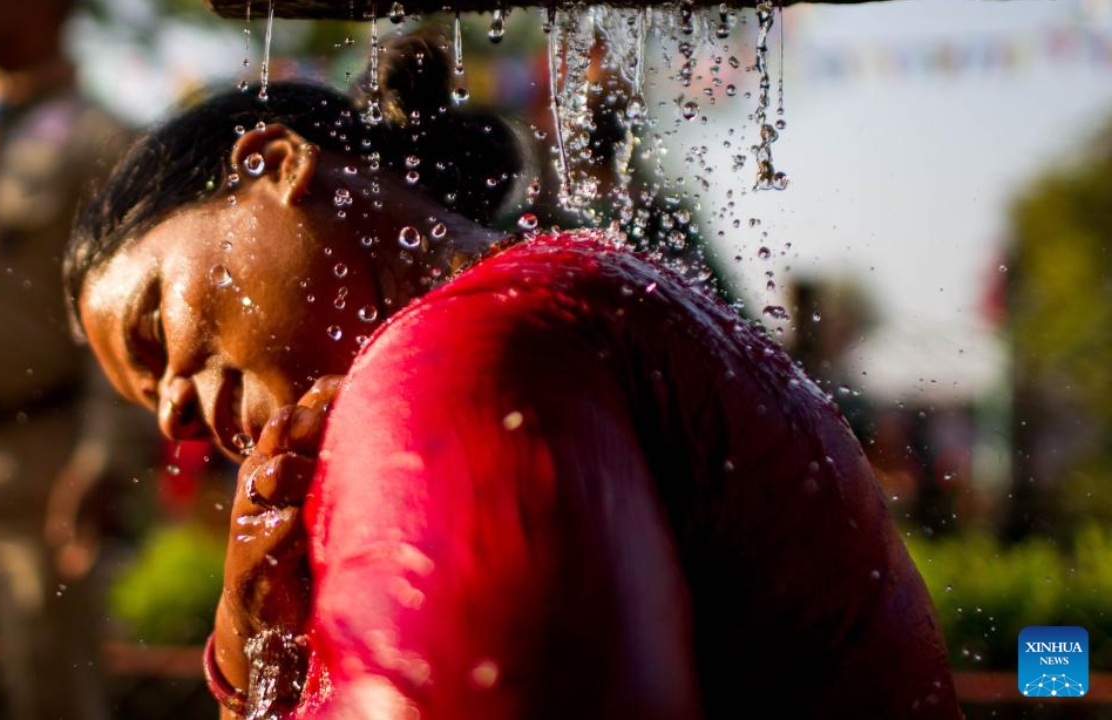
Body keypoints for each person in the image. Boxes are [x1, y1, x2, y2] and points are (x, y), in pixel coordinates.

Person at [66, 33, 961, 719]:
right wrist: (255, 649)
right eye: (149, 402)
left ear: (274, 164)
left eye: (154, 331)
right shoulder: (577, 286)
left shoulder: (461, 354)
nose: (175, 421)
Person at [0, 1, 148, 718]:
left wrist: (106, 453)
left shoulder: (101, 141)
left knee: (50, 691)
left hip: (36, 463)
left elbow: (126, 312)